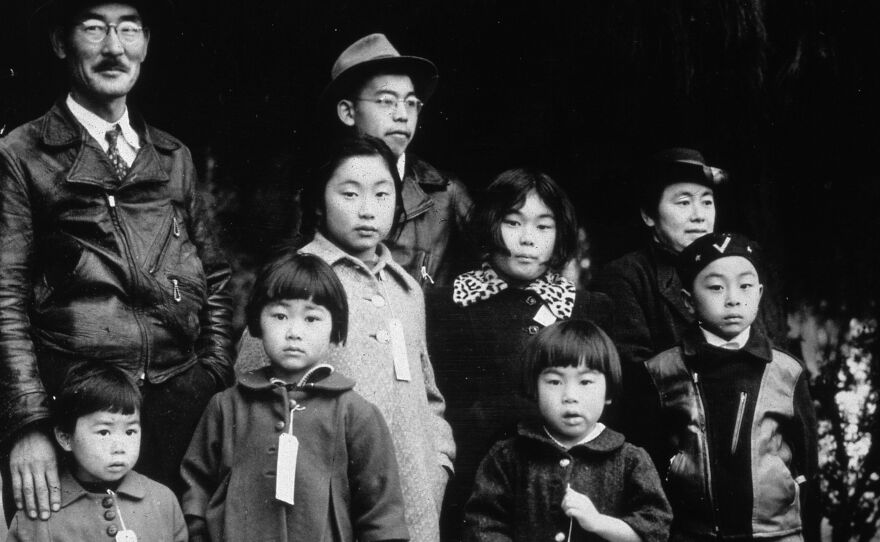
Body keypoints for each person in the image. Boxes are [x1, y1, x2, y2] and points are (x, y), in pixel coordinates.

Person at [0, 0, 234, 521]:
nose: (114, 47)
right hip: (78, 413)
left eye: (128, 29)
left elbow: (215, 277)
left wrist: (213, 374)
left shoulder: (174, 156)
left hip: (180, 408)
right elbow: (4, 297)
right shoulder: (22, 153)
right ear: (62, 43)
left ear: (146, 44)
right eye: (94, 28)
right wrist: (30, 424)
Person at [237, 135, 454, 542]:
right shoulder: (295, 279)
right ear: (319, 201)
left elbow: (429, 394)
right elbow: (250, 392)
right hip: (322, 507)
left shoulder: (405, 289)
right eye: (350, 193)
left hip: (413, 504)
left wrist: (438, 463)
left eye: (382, 193)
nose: (368, 209)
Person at [426, 168, 613, 539]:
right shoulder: (445, 306)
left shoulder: (590, 309)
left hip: (566, 496)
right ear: (489, 224)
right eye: (513, 223)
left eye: (544, 227)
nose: (528, 239)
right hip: (473, 493)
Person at [181, 251, 408, 542]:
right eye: (279, 315)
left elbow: (382, 516)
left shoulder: (356, 413)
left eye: (312, 318)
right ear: (257, 322)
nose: (294, 332)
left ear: (335, 327)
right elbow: (196, 492)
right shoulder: (226, 407)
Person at [637, 233, 819, 542]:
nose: (733, 298)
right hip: (692, 533)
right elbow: (650, 455)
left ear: (759, 294)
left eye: (745, 286)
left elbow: (806, 462)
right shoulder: (664, 370)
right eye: (716, 287)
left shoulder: (786, 371)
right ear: (688, 300)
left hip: (775, 533)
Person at [462, 320, 672, 542]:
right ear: (534, 389)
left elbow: (655, 531)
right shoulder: (507, 457)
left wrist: (599, 523)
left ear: (608, 391)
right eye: (554, 381)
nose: (570, 395)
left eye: (585, 382)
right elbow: (481, 526)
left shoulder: (630, 461)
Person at [324, 33, 472, 287]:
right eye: (386, 101)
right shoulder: (310, 191)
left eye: (412, 103)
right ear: (348, 112)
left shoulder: (447, 194)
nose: (402, 115)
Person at [7, 365, 187, 542]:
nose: (120, 446)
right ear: (65, 438)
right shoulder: (37, 517)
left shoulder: (163, 501)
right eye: (104, 432)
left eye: (130, 431)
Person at [592, 147, 723, 368]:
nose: (699, 216)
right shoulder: (625, 277)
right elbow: (633, 371)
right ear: (649, 215)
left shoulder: (733, 271)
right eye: (684, 202)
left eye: (707, 202)